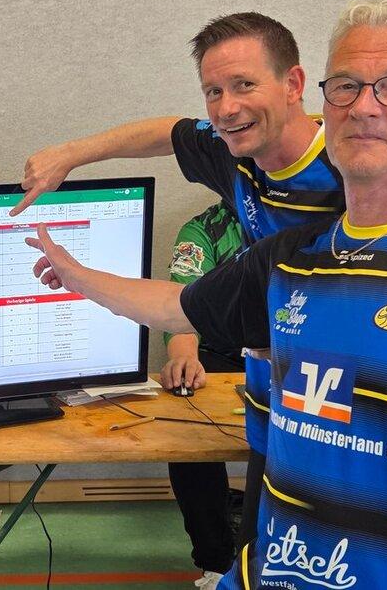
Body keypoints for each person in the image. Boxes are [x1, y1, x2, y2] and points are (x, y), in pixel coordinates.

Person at [28, 0, 387, 589]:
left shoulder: (360, 189)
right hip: (283, 399)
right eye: (348, 87)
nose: (364, 109)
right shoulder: (261, 208)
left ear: (295, 87)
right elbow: (179, 298)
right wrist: (70, 167)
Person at [15, 13, 346, 579]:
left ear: (293, 84)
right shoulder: (233, 151)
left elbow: (179, 307)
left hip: (342, 393)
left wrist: (80, 277)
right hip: (274, 382)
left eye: (244, 85)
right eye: (214, 91)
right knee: (261, 552)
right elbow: (169, 132)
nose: (226, 107)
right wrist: (72, 153)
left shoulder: (346, 170)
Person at [161, 202, 245, 587]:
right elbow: (181, 304)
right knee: (186, 424)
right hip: (220, 355)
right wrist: (183, 356)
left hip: (296, 351)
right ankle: (216, 563)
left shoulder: (318, 215)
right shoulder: (204, 231)